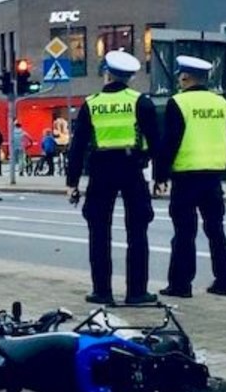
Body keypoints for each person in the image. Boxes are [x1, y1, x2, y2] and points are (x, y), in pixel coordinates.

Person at [65, 50, 160, 307]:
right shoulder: (140, 102)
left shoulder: (92, 103)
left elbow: (78, 146)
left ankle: (102, 291)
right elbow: (156, 142)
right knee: (138, 229)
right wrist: (161, 177)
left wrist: (72, 183)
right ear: (129, 77)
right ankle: (137, 292)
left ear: (106, 73)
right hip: (132, 169)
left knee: (98, 230)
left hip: (100, 170)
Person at [154, 56, 226, 298]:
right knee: (215, 230)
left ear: (185, 77)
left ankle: (181, 285)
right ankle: (224, 282)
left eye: (181, 76)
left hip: (186, 176)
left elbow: (170, 141)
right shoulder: (221, 103)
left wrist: (160, 176)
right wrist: (225, 163)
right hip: (213, 176)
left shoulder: (178, 103)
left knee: (184, 232)